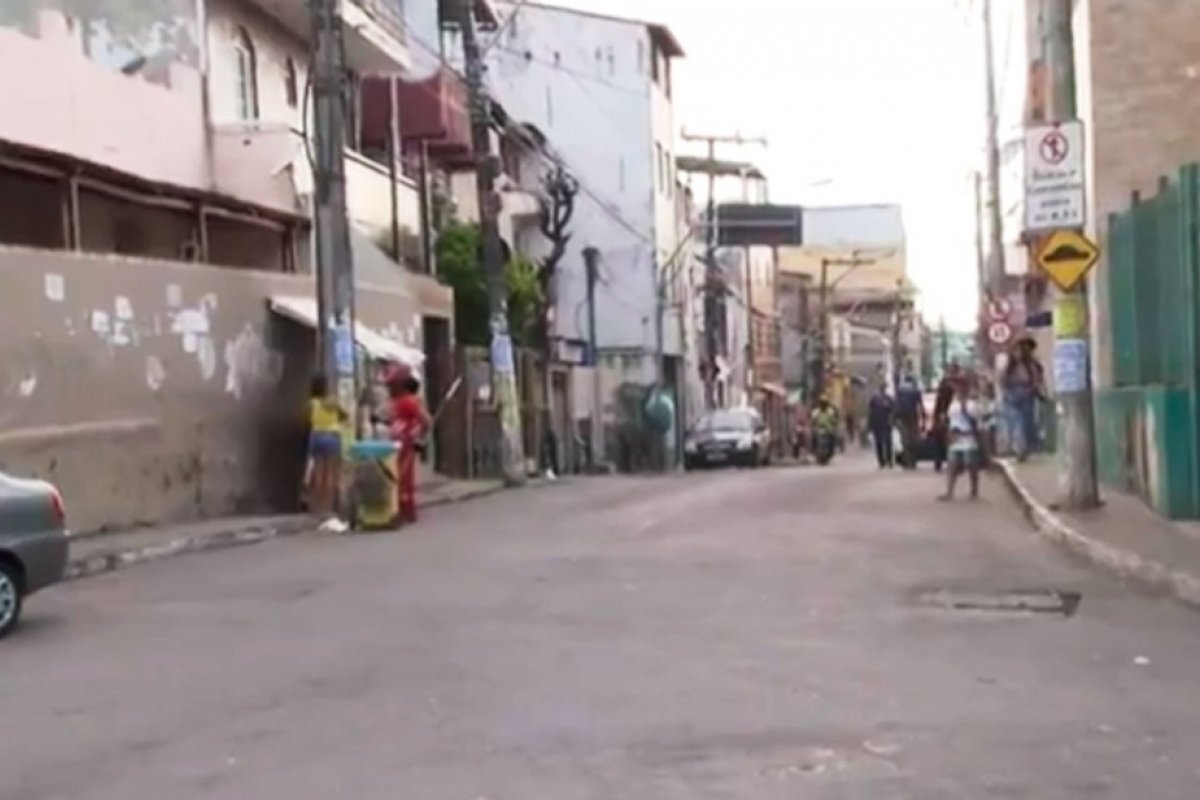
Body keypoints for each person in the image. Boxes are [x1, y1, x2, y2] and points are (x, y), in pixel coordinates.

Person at [389, 373, 432, 524]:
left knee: (403, 476)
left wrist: (421, 437)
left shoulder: (408, 401)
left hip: (404, 442)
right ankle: (405, 509)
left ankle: (405, 509)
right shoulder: (405, 401)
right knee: (402, 475)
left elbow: (425, 419)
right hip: (402, 441)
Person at [306, 373, 347, 519]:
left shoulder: (311, 402)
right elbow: (344, 415)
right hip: (331, 436)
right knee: (330, 474)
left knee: (317, 474)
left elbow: (307, 419)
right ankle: (328, 509)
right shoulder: (332, 401)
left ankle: (315, 507)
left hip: (316, 436)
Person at [1004, 336, 1046, 461]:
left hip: (1028, 396)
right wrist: (1007, 394)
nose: (1023, 351)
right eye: (1020, 348)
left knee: (1028, 423)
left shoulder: (1034, 365)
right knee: (1017, 423)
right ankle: (1019, 449)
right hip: (1013, 398)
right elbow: (1003, 382)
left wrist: (1039, 390)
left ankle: (1026, 448)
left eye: (1027, 348)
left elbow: (1039, 380)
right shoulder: (1009, 366)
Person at [940, 381, 983, 501]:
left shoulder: (972, 405)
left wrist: (965, 411)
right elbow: (950, 421)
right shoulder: (953, 405)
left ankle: (974, 490)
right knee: (952, 464)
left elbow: (976, 422)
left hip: (968, 436)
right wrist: (948, 434)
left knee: (970, 464)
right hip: (955, 437)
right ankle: (949, 491)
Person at [894, 374, 925, 468]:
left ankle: (907, 461)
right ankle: (913, 461)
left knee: (905, 440)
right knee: (913, 440)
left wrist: (894, 418)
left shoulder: (900, 390)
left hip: (903, 418)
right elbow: (920, 405)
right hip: (913, 417)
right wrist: (923, 418)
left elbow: (897, 404)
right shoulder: (916, 390)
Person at [867, 383, 896, 468]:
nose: (883, 390)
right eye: (882, 388)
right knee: (879, 443)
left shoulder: (889, 399)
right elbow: (871, 412)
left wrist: (892, 421)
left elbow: (893, 411)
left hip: (886, 424)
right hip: (877, 424)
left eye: (884, 388)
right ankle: (882, 461)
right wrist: (870, 424)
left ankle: (889, 460)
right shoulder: (874, 399)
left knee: (888, 443)